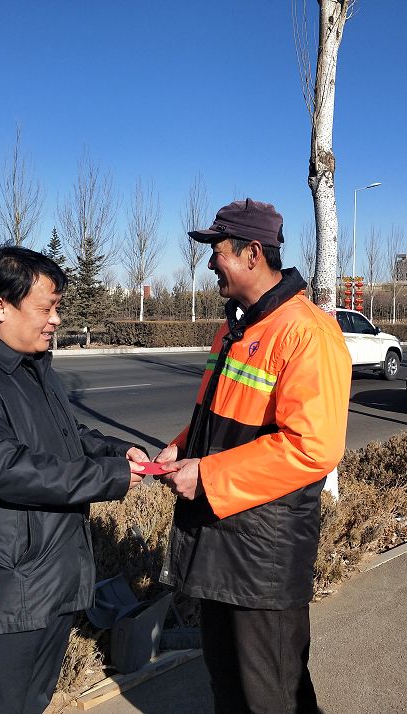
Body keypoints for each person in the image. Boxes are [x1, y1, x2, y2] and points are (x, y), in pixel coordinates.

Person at [0, 246, 146, 714]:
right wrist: (111, 476)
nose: (56, 320)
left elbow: (65, 434)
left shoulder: (30, 364)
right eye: (46, 308)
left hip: (46, 584)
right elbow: (7, 470)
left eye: (57, 307)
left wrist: (114, 451)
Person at [155, 199, 350, 713]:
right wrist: (179, 448)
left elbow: (314, 447)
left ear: (252, 253)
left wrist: (209, 474)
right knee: (229, 687)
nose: (209, 262)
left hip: (263, 556)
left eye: (216, 250)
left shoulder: (306, 331)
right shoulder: (235, 330)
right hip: (222, 541)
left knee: (273, 697)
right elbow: (219, 417)